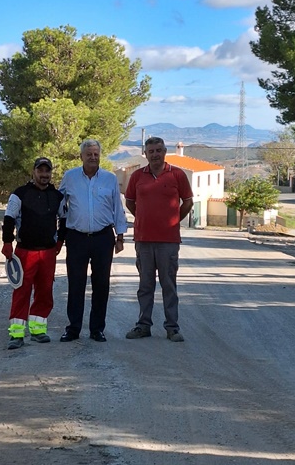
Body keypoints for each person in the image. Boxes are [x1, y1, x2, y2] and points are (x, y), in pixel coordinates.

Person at [57, 139, 127, 342]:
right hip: (76, 238)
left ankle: (97, 329)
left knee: (101, 284)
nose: (93, 157)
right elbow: (60, 203)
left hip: (103, 238)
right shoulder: (70, 177)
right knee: (75, 284)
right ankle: (73, 329)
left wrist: (120, 236)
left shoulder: (109, 178)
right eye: (89, 154)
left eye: (96, 154)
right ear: (81, 156)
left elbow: (117, 208)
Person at [124, 137, 193, 342]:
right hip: (143, 240)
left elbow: (188, 201)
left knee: (168, 285)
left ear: (165, 152)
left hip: (168, 242)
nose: (155, 154)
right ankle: (143, 325)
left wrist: (173, 221)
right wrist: (144, 219)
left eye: (159, 150)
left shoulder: (177, 174)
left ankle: (172, 328)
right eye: (151, 151)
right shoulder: (137, 176)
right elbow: (129, 202)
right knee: (145, 285)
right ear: (145, 154)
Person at [1, 157, 64, 350]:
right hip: (24, 252)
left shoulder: (57, 196)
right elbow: (9, 218)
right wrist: (7, 243)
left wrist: (60, 241)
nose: (44, 175)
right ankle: (16, 334)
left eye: (47, 171)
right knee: (21, 292)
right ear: (33, 171)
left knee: (45, 291)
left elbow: (64, 219)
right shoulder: (20, 194)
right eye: (40, 171)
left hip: (47, 253)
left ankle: (38, 330)